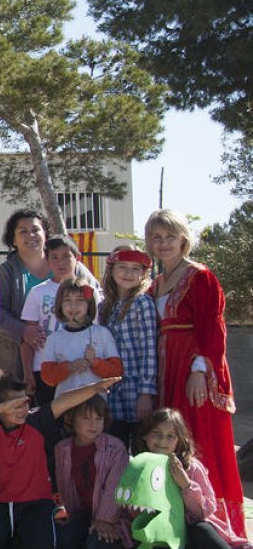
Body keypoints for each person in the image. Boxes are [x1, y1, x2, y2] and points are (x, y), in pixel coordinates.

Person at [145, 209, 246, 539]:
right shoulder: (155, 284)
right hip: (165, 370)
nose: (163, 243)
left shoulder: (200, 276)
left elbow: (213, 330)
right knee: (167, 441)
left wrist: (199, 370)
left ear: (183, 239)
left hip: (192, 369)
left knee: (197, 442)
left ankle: (213, 526)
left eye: (170, 236)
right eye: (157, 238)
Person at [0, 371, 120, 549]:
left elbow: (64, 400)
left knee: (43, 544)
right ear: (0, 407)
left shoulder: (36, 420)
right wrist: (1, 408)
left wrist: (95, 387)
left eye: (25, 402)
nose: (22, 408)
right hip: (0, 503)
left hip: (37, 503)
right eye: (15, 404)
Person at [137, 408, 251, 549]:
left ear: (179, 441)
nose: (162, 440)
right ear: (145, 435)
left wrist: (185, 485)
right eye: (156, 433)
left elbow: (204, 511)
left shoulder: (191, 467)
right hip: (162, 534)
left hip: (194, 532)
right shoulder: (138, 467)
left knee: (201, 529)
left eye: (170, 436)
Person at [20, 235, 103, 401]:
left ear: (77, 258)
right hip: (45, 368)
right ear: (48, 261)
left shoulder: (90, 292)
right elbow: (28, 338)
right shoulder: (37, 292)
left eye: (66, 256)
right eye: (54, 257)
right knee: (50, 421)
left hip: (82, 368)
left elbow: (96, 334)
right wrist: (27, 374)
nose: (61, 263)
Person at [99, 246, 158, 446]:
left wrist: (145, 392)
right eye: (122, 267)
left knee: (141, 446)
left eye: (135, 269)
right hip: (114, 390)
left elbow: (149, 349)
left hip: (136, 389)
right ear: (112, 270)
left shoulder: (142, 302)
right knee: (116, 445)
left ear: (143, 274)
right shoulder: (106, 305)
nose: (128, 273)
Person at [52, 397, 129, 549]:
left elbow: (116, 486)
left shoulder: (115, 448)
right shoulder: (61, 449)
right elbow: (57, 485)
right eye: (85, 418)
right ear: (70, 419)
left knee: (97, 543)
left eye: (98, 418)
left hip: (111, 516)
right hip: (79, 514)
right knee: (64, 539)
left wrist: (104, 519)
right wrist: (60, 513)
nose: (93, 424)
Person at [0, 209, 51, 383]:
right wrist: (23, 330)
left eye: (35, 230)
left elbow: (93, 295)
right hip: (14, 361)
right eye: (23, 231)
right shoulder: (4, 273)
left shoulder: (66, 267)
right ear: (13, 240)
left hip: (61, 360)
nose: (30, 235)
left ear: (46, 234)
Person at [37, 278, 122, 397]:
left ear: (89, 304)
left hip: (97, 405)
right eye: (67, 300)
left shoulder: (102, 333)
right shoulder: (54, 339)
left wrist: (95, 362)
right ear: (60, 305)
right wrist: (70, 367)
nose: (73, 306)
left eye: (79, 300)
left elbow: (116, 371)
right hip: (66, 405)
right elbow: (47, 377)